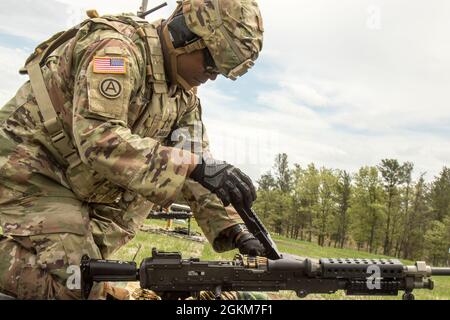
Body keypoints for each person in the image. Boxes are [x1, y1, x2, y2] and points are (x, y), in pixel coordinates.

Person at [0, 0, 265, 300]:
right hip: (30, 168)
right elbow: (98, 139)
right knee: (74, 285)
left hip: (78, 180)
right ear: (188, 34)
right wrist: (193, 166)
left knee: (89, 272)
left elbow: (198, 168)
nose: (213, 75)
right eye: (212, 62)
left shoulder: (183, 96)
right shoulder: (115, 50)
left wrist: (238, 231)